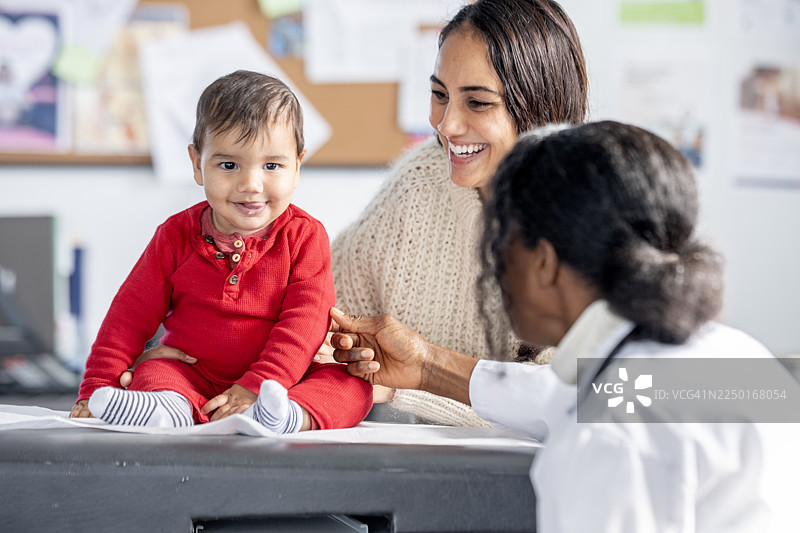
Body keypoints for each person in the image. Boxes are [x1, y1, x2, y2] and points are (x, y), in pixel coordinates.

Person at [117, 0, 588, 427]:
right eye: (440, 94)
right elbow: (307, 305)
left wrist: (427, 370)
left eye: (478, 102)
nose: (446, 125)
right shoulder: (424, 179)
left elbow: (620, 398)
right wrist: (184, 359)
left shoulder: (599, 213)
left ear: (540, 106)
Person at [328, 121, 786, 531]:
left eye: (500, 248)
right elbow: (563, 394)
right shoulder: (739, 361)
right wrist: (427, 366)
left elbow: (594, 411)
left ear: (543, 263)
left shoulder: (603, 441)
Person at [70, 70, 372, 432]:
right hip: (193, 374)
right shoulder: (174, 235)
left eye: (272, 166)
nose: (251, 184)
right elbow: (128, 316)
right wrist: (96, 387)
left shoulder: (305, 236)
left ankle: (284, 417)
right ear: (197, 163)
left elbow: (303, 324)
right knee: (153, 370)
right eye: (229, 165)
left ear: (297, 167)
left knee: (352, 386)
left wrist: (257, 386)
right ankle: (167, 411)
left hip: (281, 382)